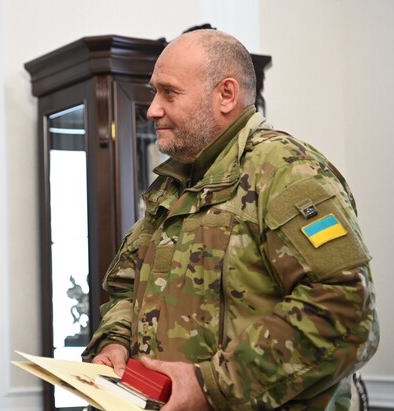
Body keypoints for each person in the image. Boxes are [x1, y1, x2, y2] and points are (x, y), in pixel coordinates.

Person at [82, 29, 378, 410]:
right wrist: (114, 343)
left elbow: (347, 312)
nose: (152, 109)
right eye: (154, 92)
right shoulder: (174, 184)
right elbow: (128, 288)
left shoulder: (286, 172)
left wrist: (211, 385)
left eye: (169, 93)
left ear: (225, 95)